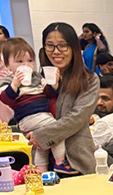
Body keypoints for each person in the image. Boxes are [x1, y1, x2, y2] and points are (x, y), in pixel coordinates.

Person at [30, 22, 100, 195]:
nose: (56, 51)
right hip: (42, 159)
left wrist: (42, 134)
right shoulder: (38, 78)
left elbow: (77, 119)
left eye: (62, 45)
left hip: (76, 160)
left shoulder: (89, 79)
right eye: (50, 45)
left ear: (74, 47)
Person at [0, 38, 70, 173]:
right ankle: (61, 162)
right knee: (55, 130)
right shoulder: (8, 80)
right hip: (28, 118)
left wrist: (54, 83)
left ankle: (41, 171)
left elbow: (48, 93)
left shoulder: (37, 77)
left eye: (30, 60)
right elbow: (5, 99)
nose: (26, 65)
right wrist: (15, 84)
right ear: (8, 66)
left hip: (42, 116)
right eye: (20, 61)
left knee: (42, 145)